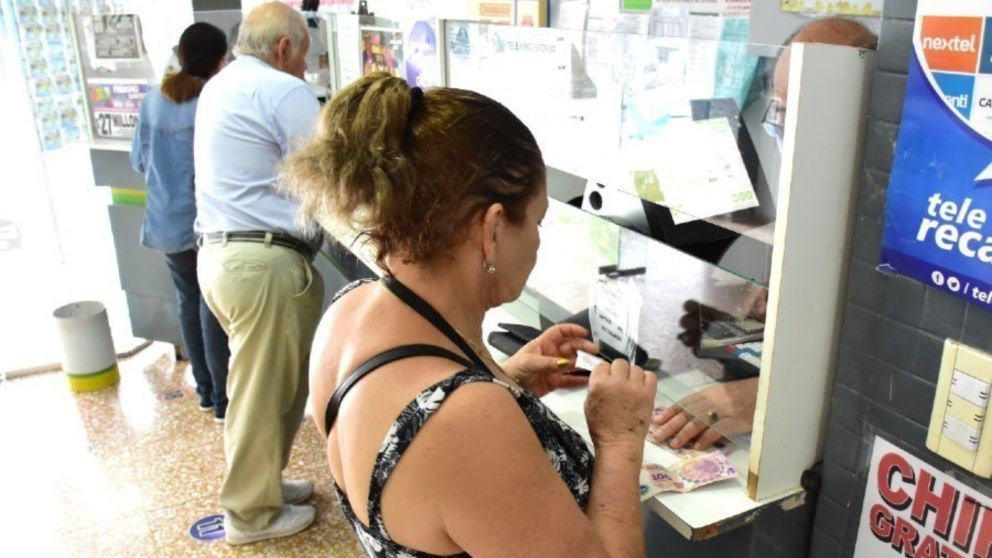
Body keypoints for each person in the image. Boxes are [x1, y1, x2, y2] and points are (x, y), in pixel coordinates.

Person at [279, 74, 658, 556]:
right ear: (493, 228)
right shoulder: (465, 417)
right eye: (537, 221)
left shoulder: (348, 312)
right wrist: (621, 440)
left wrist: (505, 378)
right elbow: (454, 439)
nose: (539, 241)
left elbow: (431, 484)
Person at [650, 16, 877, 451]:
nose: (790, 140)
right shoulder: (804, 200)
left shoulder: (900, 217)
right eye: (783, 114)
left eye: (810, 117)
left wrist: (758, 399)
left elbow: (887, 371)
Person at [193, 2, 324, 545]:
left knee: (269, 389)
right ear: (284, 48)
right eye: (305, 57)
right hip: (261, 262)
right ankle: (250, 515)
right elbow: (326, 167)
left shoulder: (220, 85)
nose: (305, 69)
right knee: (261, 392)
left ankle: (264, 484)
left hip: (224, 257)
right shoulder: (282, 89)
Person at [130, 22, 230, 422]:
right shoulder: (212, 101)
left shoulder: (154, 99)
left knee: (188, 302)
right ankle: (224, 401)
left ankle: (205, 392)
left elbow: (139, 160)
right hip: (203, 224)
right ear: (218, 61)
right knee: (211, 309)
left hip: (165, 223)